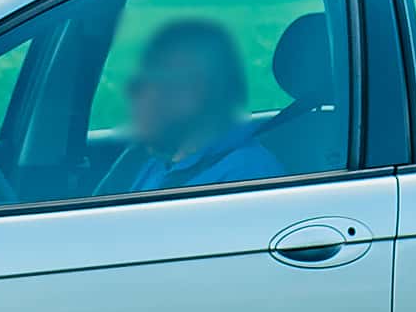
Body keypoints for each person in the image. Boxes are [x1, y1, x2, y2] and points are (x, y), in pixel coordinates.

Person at [102, 16, 286, 193]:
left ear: (196, 92)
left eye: (152, 82)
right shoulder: (155, 163)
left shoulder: (248, 176)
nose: (135, 95)